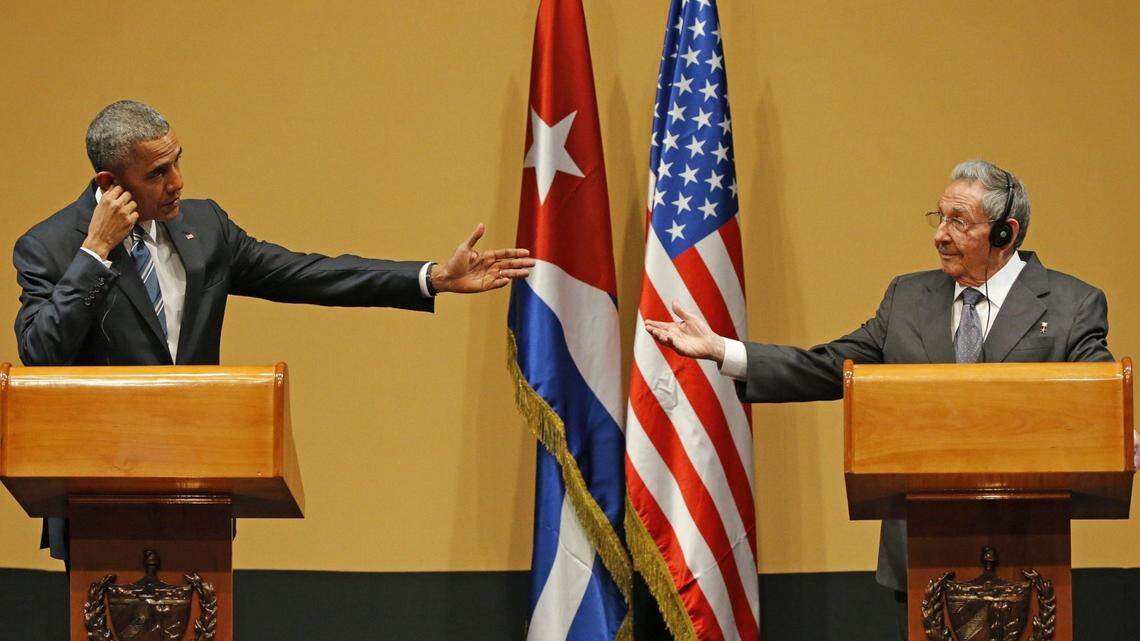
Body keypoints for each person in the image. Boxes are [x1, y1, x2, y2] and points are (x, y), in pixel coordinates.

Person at [12, 100, 535, 563]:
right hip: (100, 494)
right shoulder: (50, 247)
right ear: (109, 184)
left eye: (178, 162)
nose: (178, 182)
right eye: (158, 173)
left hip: (198, 487)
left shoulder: (205, 225)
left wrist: (431, 278)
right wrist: (94, 252)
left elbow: (304, 273)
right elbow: (40, 353)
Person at [643, 159, 1135, 640]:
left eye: (958, 222)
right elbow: (830, 365)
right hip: (921, 543)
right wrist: (724, 351)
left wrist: (1117, 428)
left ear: (1004, 233)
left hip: (1029, 539)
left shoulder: (1072, 304)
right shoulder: (908, 298)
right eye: (938, 217)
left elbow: (1095, 383)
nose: (939, 234)